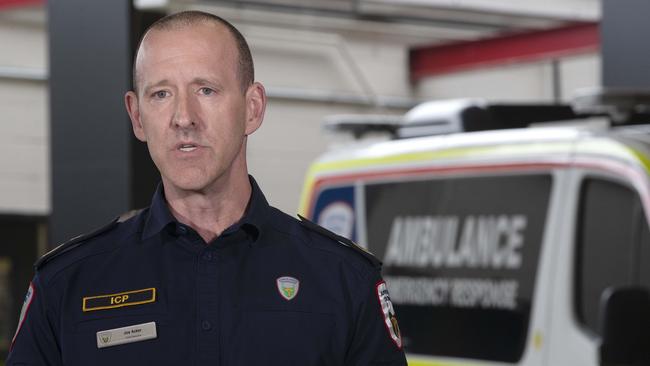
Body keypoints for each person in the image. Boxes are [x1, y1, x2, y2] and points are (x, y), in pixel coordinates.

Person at [6, 11, 407, 366]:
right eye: (161, 94)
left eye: (206, 90)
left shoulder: (343, 279)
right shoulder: (67, 284)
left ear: (253, 107)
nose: (184, 117)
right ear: (137, 116)